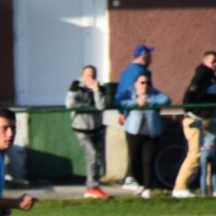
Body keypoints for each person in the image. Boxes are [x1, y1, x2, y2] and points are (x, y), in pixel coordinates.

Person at [173, 51, 216, 199]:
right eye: (213, 61)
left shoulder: (212, 77)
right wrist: (194, 111)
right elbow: (189, 97)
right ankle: (179, 188)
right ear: (205, 61)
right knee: (195, 154)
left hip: (206, 119)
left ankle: (210, 188)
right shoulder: (202, 74)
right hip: (195, 119)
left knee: (210, 153)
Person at [121, 72, 167, 199]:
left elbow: (166, 100)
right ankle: (140, 184)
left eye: (147, 83)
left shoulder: (154, 93)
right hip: (134, 131)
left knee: (148, 160)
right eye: (142, 82)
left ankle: (147, 187)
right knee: (134, 159)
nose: (145, 85)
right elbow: (121, 102)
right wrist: (136, 102)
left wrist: (149, 100)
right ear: (136, 83)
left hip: (151, 132)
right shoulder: (129, 92)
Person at [115, 44, 155, 189]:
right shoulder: (137, 72)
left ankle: (133, 179)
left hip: (132, 115)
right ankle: (132, 179)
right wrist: (123, 112)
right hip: (135, 117)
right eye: (149, 55)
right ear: (143, 56)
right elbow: (125, 94)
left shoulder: (130, 71)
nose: (151, 58)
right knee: (137, 151)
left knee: (137, 150)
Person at [66, 65, 109, 199]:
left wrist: (96, 90)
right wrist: (88, 107)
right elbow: (70, 104)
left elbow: (101, 106)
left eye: (93, 75)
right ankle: (91, 187)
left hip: (97, 127)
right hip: (81, 128)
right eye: (87, 75)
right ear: (83, 75)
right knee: (92, 155)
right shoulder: (75, 86)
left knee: (98, 158)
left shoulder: (99, 87)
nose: (90, 78)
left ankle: (95, 186)